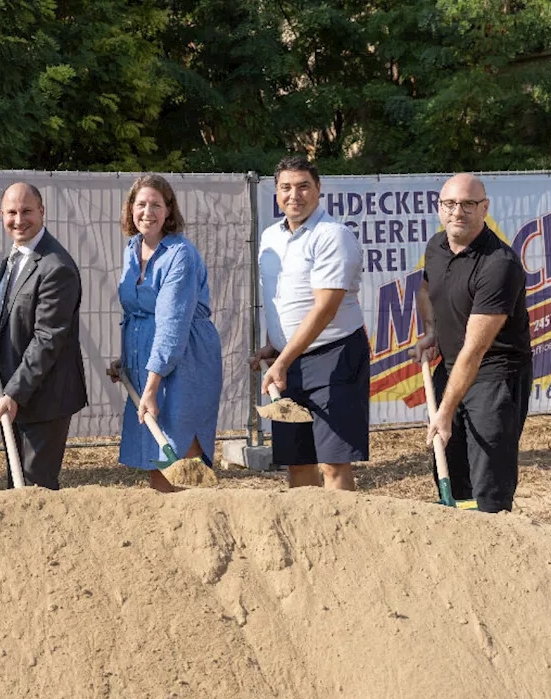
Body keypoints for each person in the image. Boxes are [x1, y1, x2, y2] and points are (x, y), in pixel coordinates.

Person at [410, 173, 532, 513]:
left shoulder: (499, 264)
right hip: (450, 367)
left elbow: (475, 349)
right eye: (449, 204)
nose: (457, 212)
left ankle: (496, 548)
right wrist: (432, 331)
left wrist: (445, 412)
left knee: (488, 485)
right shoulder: (436, 247)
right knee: (450, 471)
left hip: (494, 379)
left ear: (484, 208)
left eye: (468, 204)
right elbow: (426, 288)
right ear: (439, 208)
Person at [250, 156, 368, 490]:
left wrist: (281, 361)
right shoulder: (271, 237)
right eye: (286, 187)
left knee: (333, 463)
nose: (294, 195)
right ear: (276, 194)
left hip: (335, 356)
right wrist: (274, 345)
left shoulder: (334, 235)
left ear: (318, 190)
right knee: (298, 464)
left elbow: (324, 309)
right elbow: (283, 301)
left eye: (304, 186)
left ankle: (342, 538)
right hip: (288, 361)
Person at [0, 182, 87, 490]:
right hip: (19, 393)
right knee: (16, 487)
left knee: (34, 489)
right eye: (12, 212)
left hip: (43, 399)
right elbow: (19, 285)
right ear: (2, 215)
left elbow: (48, 338)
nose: (19, 220)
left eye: (27, 211)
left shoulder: (57, 267)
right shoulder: (19, 254)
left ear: (42, 212)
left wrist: (15, 392)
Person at [107, 174, 222, 492]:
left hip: (185, 359)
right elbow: (137, 312)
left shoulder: (180, 254)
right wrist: (127, 359)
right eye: (140, 204)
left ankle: (200, 531)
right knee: (156, 457)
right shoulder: (132, 249)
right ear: (130, 209)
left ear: (169, 211)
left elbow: (172, 323)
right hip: (149, 361)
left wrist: (151, 387)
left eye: (156, 205)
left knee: (180, 454)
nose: (148, 212)